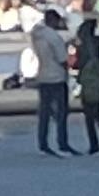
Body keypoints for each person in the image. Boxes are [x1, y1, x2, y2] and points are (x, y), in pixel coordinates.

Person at [25, 10, 73, 157]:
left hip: (43, 75)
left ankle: (43, 142)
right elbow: (62, 59)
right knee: (61, 113)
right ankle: (62, 142)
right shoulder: (54, 37)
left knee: (44, 112)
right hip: (57, 77)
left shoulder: (36, 35)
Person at [70, 16, 99, 155]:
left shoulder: (82, 47)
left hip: (88, 82)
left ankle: (94, 144)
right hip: (98, 82)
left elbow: (77, 64)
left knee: (89, 116)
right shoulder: (96, 45)